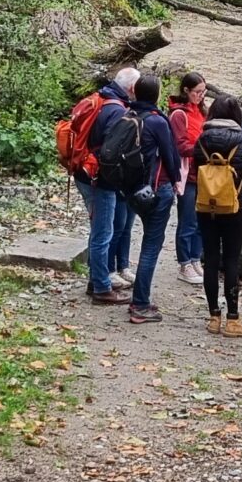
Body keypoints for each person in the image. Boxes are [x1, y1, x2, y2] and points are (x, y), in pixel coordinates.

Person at [69, 67, 139, 305]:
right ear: (131, 88)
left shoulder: (100, 98)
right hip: (99, 179)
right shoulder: (117, 110)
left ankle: (95, 279)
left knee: (99, 230)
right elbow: (111, 152)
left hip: (83, 172)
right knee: (103, 233)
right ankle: (101, 287)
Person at [191, 96, 242, 333]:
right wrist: (240, 197)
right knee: (231, 260)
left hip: (205, 207)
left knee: (209, 259)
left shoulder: (201, 141)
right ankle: (233, 318)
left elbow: (193, 172)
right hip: (233, 210)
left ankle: (213, 317)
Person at [124, 74, 181, 323]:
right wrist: (177, 180)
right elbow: (170, 155)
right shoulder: (157, 121)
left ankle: (140, 297)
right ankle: (140, 304)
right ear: (156, 95)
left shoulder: (126, 115)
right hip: (156, 190)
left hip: (132, 190)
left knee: (147, 241)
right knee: (151, 246)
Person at [168, 72, 209, 285]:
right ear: (186, 91)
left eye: (203, 92)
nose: (201, 96)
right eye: (197, 92)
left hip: (204, 174)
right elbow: (180, 146)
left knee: (202, 220)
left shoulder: (203, 111)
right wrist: (204, 149)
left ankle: (195, 258)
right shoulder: (178, 115)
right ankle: (184, 263)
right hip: (188, 175)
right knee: (187, 220)